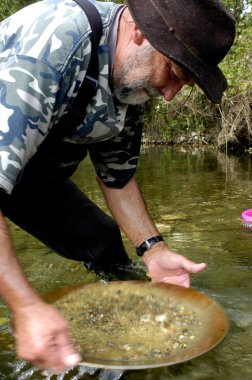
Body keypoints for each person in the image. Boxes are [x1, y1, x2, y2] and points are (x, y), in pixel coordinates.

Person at [0, 0, 235, 372]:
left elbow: (117, 177)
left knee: (104, 241)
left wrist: (153, 250)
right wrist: (27, 306)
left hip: (34, 175)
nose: (170, 93)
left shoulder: (133, 81)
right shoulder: (53, 48)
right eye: (173, 72)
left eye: (183, 83)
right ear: (141, 31)